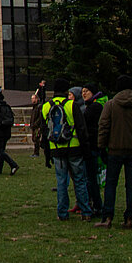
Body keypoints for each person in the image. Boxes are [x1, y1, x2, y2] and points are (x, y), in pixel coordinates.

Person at [95, 75, 132, 229]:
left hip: (115, 149)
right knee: (131, 184)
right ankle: (130, 218)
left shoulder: (111, 105)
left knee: (111, 184)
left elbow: (103, 127)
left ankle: (107, 216)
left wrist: (102, 147)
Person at [44, 79, 92, 221]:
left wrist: (47, 154)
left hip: (56, 148)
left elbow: (44, 131)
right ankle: (86, 211)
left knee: (61, 181)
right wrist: (86, 149)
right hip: (74, 147)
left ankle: (62, 212)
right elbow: (81, 129)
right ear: (66, 91)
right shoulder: (72, 105)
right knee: (79, 180)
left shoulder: (46, 106)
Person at [79, 84, 106, 217]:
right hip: (94, 146)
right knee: (91, 178)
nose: (84, 94)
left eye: (86, 91)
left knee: (90, 179)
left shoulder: (94, 107)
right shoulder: (94, 106)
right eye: (82, 92)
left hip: (92, 147)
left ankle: (96, 205)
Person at [30, 80, 47, 158]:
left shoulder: (39, 107)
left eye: (33, 98)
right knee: (34, 139)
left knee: (36, 139)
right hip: (34, 126)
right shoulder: (34, 107)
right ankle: (36, 152)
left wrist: (36, 124)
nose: (32, 100)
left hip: (37, 126)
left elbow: (40, 117)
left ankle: (37, 153)